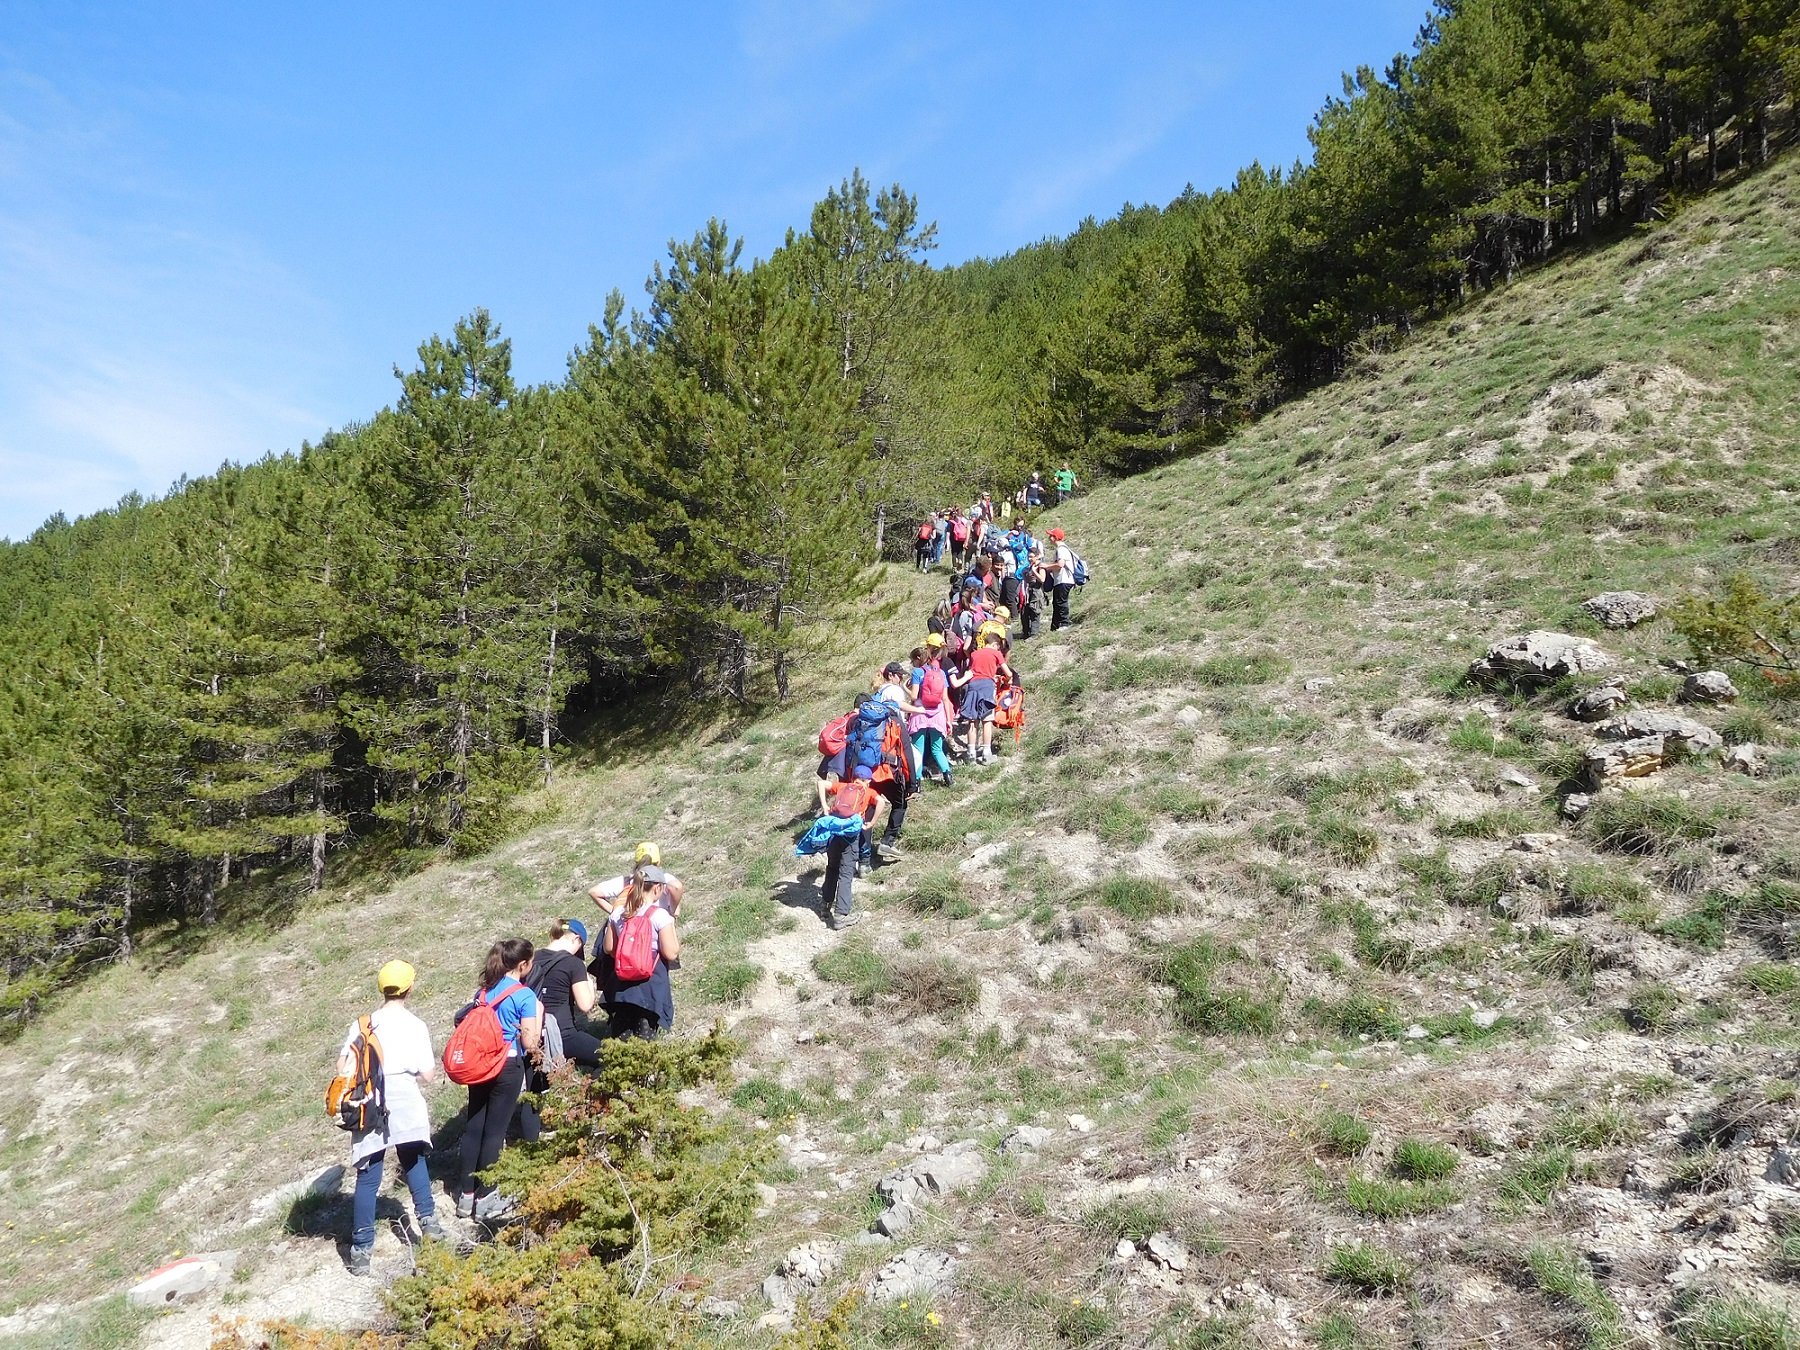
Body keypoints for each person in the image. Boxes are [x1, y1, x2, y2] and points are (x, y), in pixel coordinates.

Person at [342, 960, 444, 1274]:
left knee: (368, 1175)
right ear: (409, 988)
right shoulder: (415, 1025)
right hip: (404, 1099)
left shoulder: (362, 1024)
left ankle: (361, 1250)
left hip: (369, 1101)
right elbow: (427, 1075)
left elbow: (344, 1068)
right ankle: (429, 1225)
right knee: (413, 1160)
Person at [457, 939, 541, 1221]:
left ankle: (465, 1194)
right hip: (506, 1065)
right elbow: (529, 1043)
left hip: (480, 1064)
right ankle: (487, 1197)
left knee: (474, 1126)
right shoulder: (524, 995)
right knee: (495, 1131)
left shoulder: (484, 991)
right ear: (523, 964)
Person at [600, 871, 680, 1039]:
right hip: (650, 985)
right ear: (657, 888)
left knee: (621, 1041)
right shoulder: (659, 915)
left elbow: (609, 948)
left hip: (621, 986)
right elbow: (671, 953)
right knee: (644, 1044)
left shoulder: (618, 912)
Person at [527, 919, 600, 1067]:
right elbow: (585, 1005)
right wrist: (589, 984)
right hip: (563, 1035)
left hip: (533, 1035)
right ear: (576, 938)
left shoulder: (531, 959)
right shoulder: (573, 963)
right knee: (609, 1058)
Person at [950, 630, 1014, 765]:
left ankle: (971, 753)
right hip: (987, 687)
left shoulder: (974, 654)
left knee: (972, 721)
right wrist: (1006, 681)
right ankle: (986, 754)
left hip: (972, 686)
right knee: (987, 721)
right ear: (995, 644)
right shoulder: (996, 653)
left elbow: (977, 671)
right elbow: (1008, 673)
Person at [588, 842, 684, 917]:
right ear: (658, 862)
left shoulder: (626, 881)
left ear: (636, 861)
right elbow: (677, 887)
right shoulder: (663, 878)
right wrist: (673, 909)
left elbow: (594, 892)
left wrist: (616, 913)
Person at [907, 645, 954, 787]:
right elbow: (945, 698)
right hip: (938, 712)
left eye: (912, 661)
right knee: (937, 749)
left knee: (918, 750)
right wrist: (948, 719)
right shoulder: (940, 672)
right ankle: (948, 776)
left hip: (920, 712)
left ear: (917, 659)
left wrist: (905, 688)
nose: (912, 664)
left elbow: (914, 696)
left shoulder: (917, 672)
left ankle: (917, 783)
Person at [1047, 527, 1077, 632]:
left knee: (1061, 602)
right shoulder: (1061, 549)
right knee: (1057, 602)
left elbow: (1060, 565)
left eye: (1050, 535)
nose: (1049, 538)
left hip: (1064, 580)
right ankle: (1055, 626)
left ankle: (1064, 623)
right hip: (1061, 580)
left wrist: (1046, 567)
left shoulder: (1061, 549)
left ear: (1055, 537)